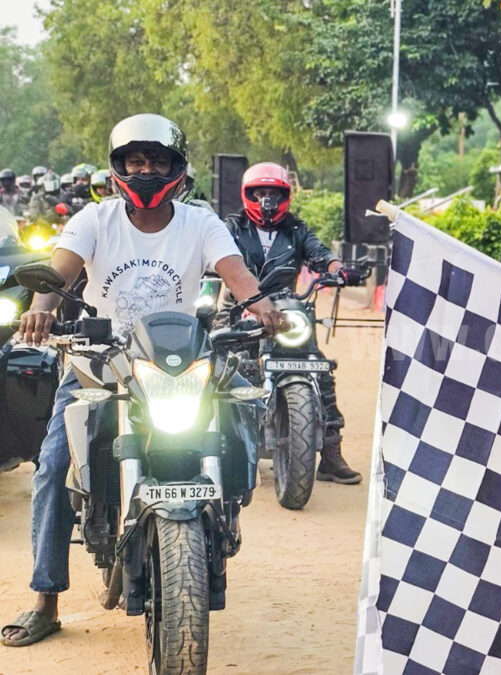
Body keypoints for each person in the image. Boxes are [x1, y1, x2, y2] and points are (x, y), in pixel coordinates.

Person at [0, 113, 287, 648]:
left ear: (177, 168)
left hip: (178, 363)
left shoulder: (200, 222)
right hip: (99, 361)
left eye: (158, 161)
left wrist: (264, 307)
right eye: (137, 161)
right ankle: (45, 599)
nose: (147, 170)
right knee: (54, 465)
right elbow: (57, 272)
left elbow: (236, 272)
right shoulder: (94, 219)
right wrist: (40, 310)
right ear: (119, 168)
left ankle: (222, 516)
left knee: (238, 418)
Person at [224, 161, 362, 485]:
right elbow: (214, 254)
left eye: (274, 192)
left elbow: (320, 253)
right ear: (249, 195)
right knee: (225, 368)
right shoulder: (231, 227)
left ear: (285, 195)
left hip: (288, 311)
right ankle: (222, 448)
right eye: (261, 192)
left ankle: (330, 453)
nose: (267, 200)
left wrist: (337, 267)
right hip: (238, 309)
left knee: (319, 368)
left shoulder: (296, 230)